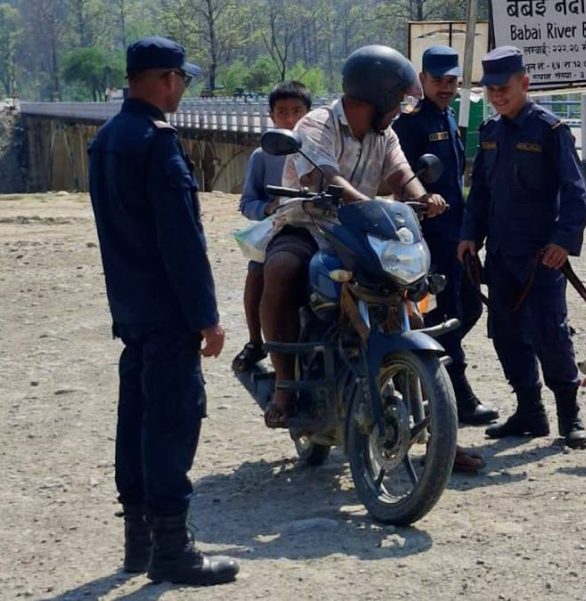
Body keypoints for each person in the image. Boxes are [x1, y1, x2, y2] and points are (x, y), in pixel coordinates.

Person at [87, 36, 238, 585]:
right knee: (172, 420)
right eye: (182, 79)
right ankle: (172, 549)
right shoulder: (156, 143)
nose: (182, 90)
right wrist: (206, 317)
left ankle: (139, 542)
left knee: (135, 418)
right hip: (168, 310)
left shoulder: (107, 140)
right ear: (167, 79)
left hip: (130, 306)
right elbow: (182, 242)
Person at [260, 44, 448, 428]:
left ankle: (439, 421)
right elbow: (325, 176)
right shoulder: (316, 125)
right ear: (377, 96)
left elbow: (401, 174)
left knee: (406, 289)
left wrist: (423, 197)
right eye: (397, 101)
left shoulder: (385, 133)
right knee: (281, 269)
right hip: (308, 225)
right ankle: (284, 383)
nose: (399, 110)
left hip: (361, 229)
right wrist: (368, 202)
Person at [458, 46, 586, 450]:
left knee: (550, 333)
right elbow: (481, 192)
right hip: (500, 255)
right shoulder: (490, 132)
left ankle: (570, 415)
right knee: (505, 334)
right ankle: (529, 411)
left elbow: (575, 191)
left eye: (504, 88)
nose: (497, 96)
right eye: (491, 89)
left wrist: (563, 241)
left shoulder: (550, 131)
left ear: (525, 84)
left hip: (540, 257)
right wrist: (469, 235)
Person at [392, 46, 499, 429]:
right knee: (453, 312)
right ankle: (458, 396)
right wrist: (423, 197)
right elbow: (399, 176)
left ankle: (416, 360)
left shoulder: (449, 117)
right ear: (422, 79)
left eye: (452, 81)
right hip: (429, 236)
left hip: (456, 234)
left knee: (469, 308)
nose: (446, 87)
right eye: (438, 80)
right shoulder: (411, 123)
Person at [231, 81, 312, 373]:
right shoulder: (262, 156)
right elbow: (247, 203)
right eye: (282, 112)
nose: (290, 119)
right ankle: (256, 342)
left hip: (318, 226)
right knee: (257, 272)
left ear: (310, 113)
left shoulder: (320, 148)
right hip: (279, 228)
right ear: (271, 116)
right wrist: (268, 208)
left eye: (297, 111)